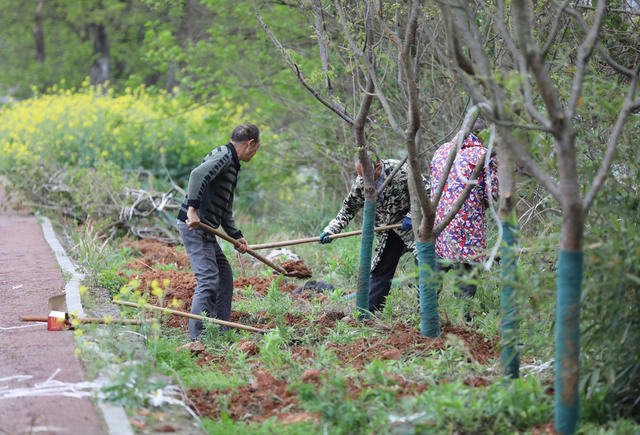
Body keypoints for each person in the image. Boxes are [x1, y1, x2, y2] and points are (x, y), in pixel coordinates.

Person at [177, 123, 261, 340]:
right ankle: (197, 338)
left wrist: (236, 236)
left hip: (206, 229)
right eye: (256, 149)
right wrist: (192, 210)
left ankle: (220, 328)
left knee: (224, 274)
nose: (254, 154)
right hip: (194, 226)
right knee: (208, 279)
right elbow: (197, 175)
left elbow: (224, 210)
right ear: (250, 143)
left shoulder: (231, 163)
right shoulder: (224, 156)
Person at [318, 157, 427, 313]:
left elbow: (429, 192)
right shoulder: (361, 182)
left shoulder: (401, 170)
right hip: (388, 229)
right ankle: (369, 312)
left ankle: (425, 311)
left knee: (426, 264)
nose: (363, 179)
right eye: (360, 175)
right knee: (381, 270)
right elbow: (348, 209)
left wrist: (413, 215)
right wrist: (331, 230)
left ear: (378, 167)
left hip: (415, 226)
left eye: (366, 175)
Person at [430, 120, 498, 304]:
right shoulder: (483, 154)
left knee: (437, 263)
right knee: (468, 267)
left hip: (440, 222)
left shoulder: (441, 150)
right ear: (482, 135)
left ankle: (427, 309)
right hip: (469, 223)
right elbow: (492, 194)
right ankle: (462, 316)